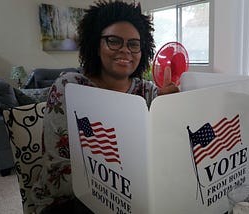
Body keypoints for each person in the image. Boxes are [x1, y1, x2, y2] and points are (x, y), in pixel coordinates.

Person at [32, 0, 179, 213]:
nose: (125, 50)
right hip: (68, 202)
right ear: (95, 44)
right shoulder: (70, 87)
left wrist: (171, 107)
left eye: (133, 44)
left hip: (131, 198)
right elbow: (58, 169)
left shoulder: (149, 92)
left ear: (143, 49)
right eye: (114, 41)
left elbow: (165, 154)